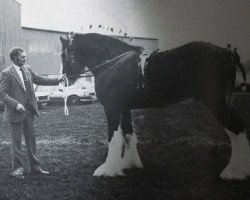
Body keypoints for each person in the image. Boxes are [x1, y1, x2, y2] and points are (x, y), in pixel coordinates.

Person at [0, 47, 65, 179]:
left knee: (31, 140)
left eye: (25, 56)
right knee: (16, 142)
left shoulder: (28, 69)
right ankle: (17, 170)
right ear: (14, 58)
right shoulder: (6, 73)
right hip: (15, 113)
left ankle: (36, 168)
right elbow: (2, 93)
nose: (25, 58)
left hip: (29, 111)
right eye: (22, 57)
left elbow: (40, 79)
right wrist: (16, 104)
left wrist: (57, 79)